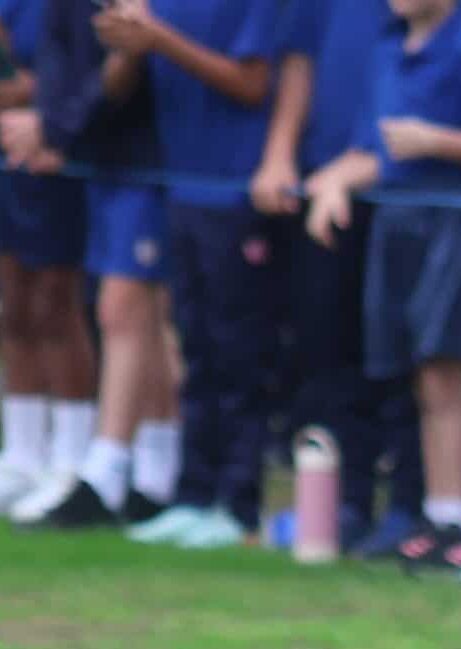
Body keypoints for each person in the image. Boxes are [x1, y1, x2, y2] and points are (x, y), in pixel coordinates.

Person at [304, 0, 461, 573]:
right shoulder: (385, 52)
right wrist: (332, 184)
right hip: (396, 226)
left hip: (450, 225)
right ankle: (438, 510)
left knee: (446, 368)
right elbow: (372, 152)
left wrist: (434, 141)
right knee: (420, 376)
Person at [92, 0, 277, 550]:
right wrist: (131, 41)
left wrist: (160, 39)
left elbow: (251, 84)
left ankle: (237, 504)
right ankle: (194, 494)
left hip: (236, 191)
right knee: (194, 349)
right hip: (181, 187)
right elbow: (113, 89)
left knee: (236, 350)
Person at [260, 0, 426, 556]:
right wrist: (293, 160)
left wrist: (343, 176)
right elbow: (302, 63)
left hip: (413, 207)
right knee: (327, 354)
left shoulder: (424, 27)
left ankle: (409, 507)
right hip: (331, 194)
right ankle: (342, 506)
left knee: (406, 361)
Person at [2, 0, 169, 529]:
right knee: (24, 306)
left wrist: (54, 127)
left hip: (117, 159)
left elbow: (105, 70)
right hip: (78, 156)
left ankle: (94, 463)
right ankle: (40, 457)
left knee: (94, 308)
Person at [0, 0, 97, 527]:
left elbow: (68, 80)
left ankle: (70, 459)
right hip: (12, 159)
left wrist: (42, 114)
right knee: (13, 304)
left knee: (55, 303)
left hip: (58, 156)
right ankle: (22, 454)